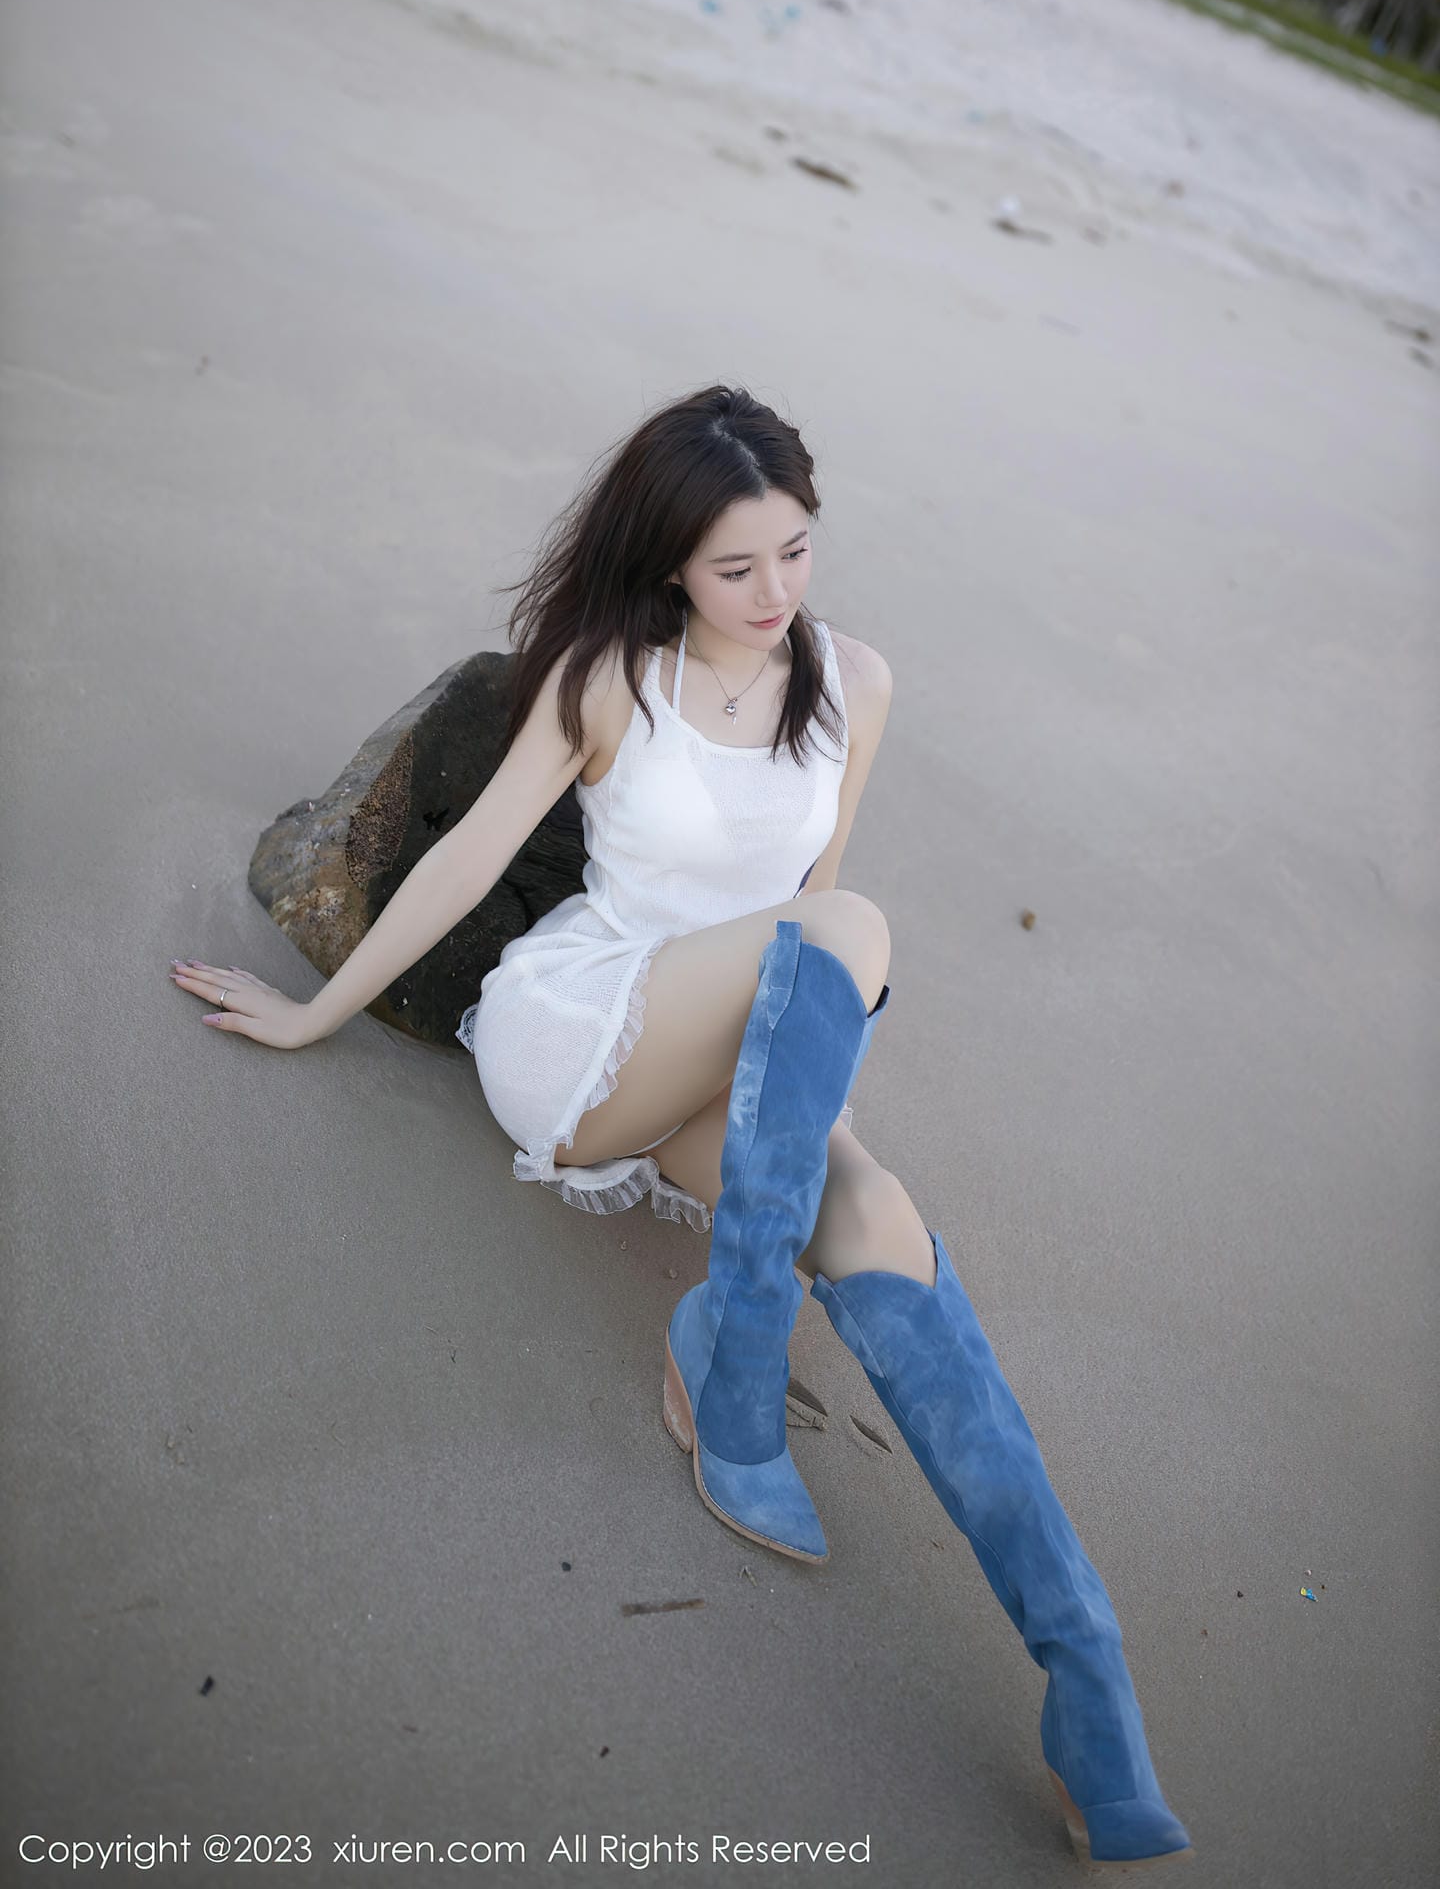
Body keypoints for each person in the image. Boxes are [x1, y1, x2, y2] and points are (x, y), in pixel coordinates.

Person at [168, 384, 1193, 1869]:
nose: (775, 594)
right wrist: (314, 1015)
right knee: (855, 928)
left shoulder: (855, 684)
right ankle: (735, 1372)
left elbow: (800, 917)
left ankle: (1087, 1679)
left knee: (878, 1212)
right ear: (668, 564)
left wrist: (805, 1100)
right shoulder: (610, 683)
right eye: (736, 567)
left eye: (796, 551)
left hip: (736, 1055)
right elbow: (468, 863)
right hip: (585, 1035)